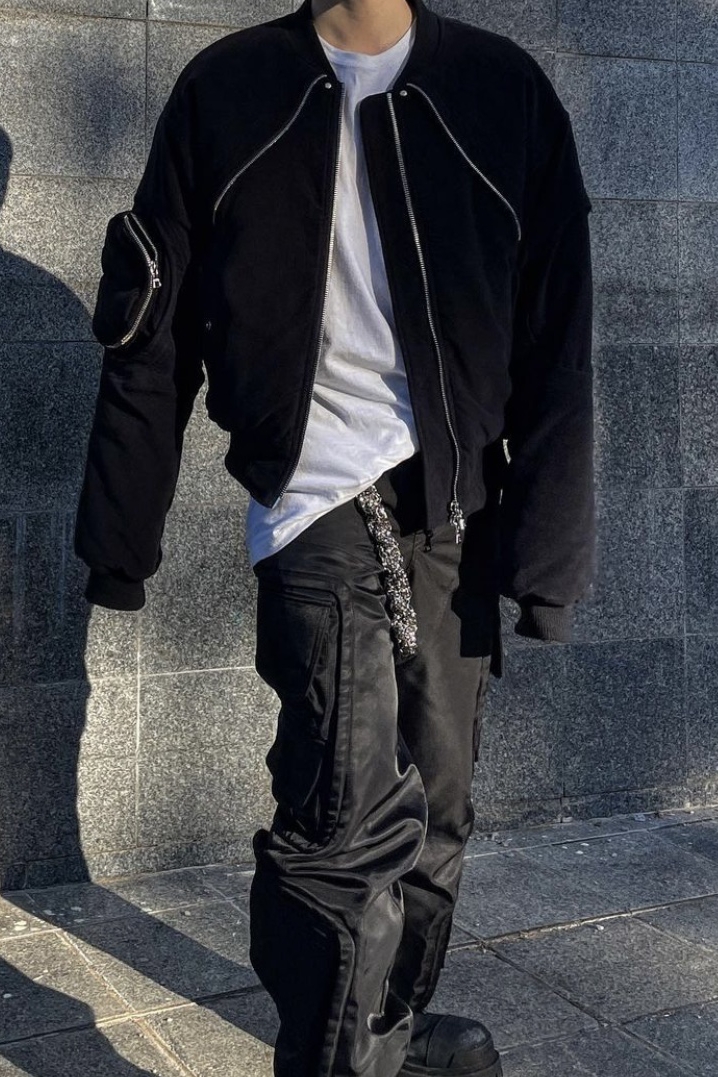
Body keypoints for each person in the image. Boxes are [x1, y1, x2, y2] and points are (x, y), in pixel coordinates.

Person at [73, 0, 596, 1074]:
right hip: (314, 502)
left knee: (439, 810)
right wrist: (120, 541)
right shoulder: (228, 88)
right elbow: (149, 333)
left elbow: (559, 333)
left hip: (454, 504)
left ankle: (387, 1036)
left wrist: (546, 560)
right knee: (340, 830)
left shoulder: (501, 91)